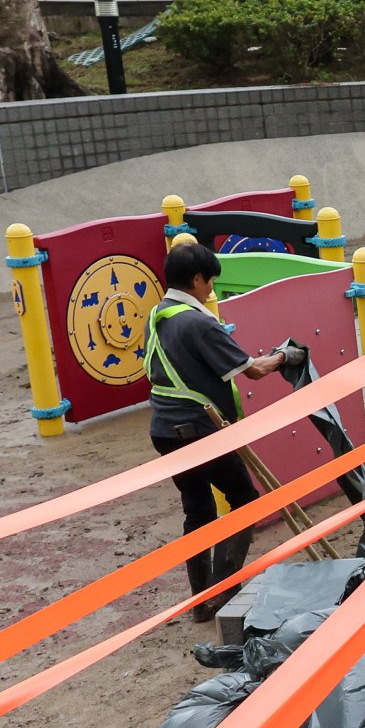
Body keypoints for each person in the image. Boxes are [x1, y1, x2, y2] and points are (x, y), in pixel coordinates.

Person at [147, 243, 284, 619]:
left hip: (164, 429)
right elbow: (253, 370)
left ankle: (201, 601)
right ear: (196, 279)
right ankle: (223, 589)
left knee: (198, 511)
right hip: (198, 430)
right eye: (209, 282)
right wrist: (283, 356)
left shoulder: (158, 314)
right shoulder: (199, 322)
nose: (211, 290)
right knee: (245, 498)